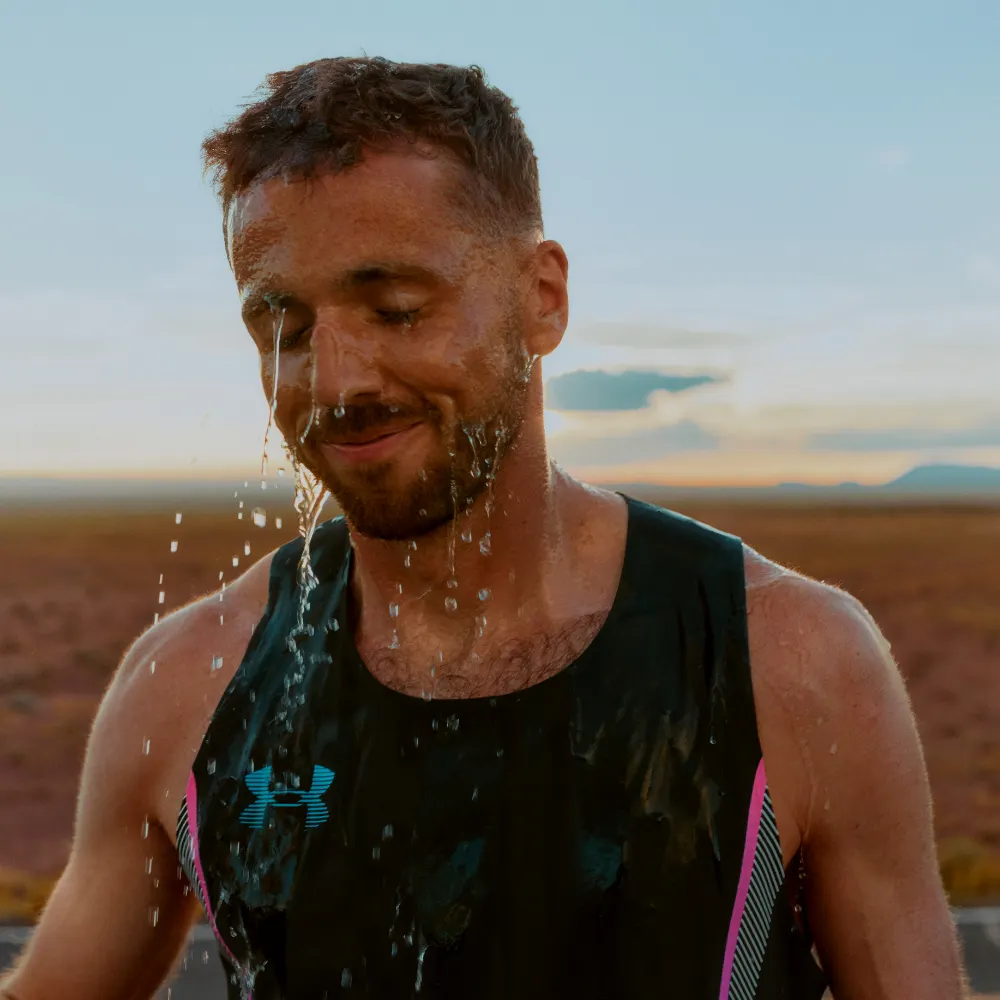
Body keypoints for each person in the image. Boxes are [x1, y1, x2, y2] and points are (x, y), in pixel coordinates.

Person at [1, 57, 966, 1000]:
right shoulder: (187, 687)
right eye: (284, 327)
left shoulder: (787, 664)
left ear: (541, 297)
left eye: (397, 308)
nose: (338, 382)